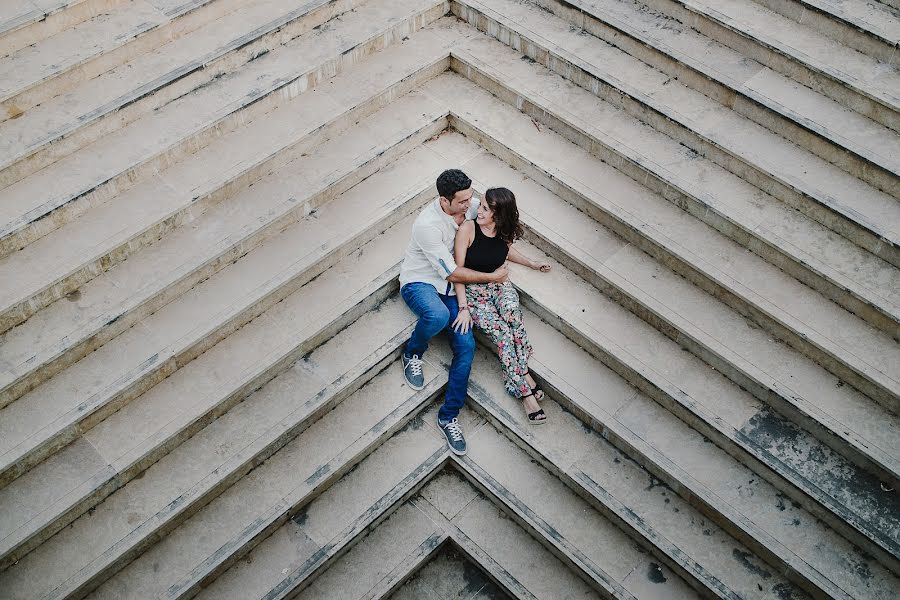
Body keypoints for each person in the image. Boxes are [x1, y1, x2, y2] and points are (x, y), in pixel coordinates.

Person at [399, 169, 508, 455]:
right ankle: (412, 352)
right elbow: (450, 272)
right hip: (421, 281)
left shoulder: (470, 205)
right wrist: (492, 277)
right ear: (444, 200)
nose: (470, 204)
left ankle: (448, 417)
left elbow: (500, 220)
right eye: (462, 201)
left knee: (467, 346)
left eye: (471, 197)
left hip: (450, 289)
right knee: (437, 316)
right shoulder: (427, 225)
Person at [451, 187, 551, 424]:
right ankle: (524, 392)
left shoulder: (504, 231)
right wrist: (463, 307)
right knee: (503, 334)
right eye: (482, 205)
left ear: (500, 215)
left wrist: (532, 263)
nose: (479, 210)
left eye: (485, 208)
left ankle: (522, 370)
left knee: (513, 315)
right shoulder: (468, 229)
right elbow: (457, 272)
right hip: (475, 292)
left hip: (499, 285)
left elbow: (506, 251)